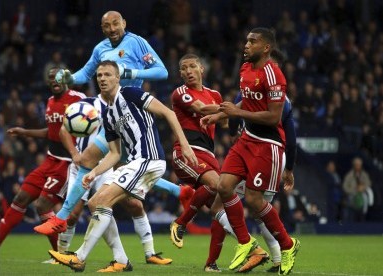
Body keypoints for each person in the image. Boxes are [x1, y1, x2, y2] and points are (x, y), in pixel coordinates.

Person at [47, 61, 197, 272]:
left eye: (108, 74)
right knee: (94, 203)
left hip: (149, 160)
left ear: (117, 78)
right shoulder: (108, 115)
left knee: (103, 200)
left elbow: (168, 113)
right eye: (99, 75)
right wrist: (94, 172)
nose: (102, 78)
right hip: (134, 162)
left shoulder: (131, 93)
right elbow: (115, 154)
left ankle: (79, 257)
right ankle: (121, 259)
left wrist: (184, 145)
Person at [201, 28, 300, 275]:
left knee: (256, 202)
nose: (246, 45)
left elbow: (273, 116)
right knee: (223, 187)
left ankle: (287, 246)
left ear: (266, 47)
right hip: (246, 140)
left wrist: (236, 114)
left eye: (252, 41)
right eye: (246, 40)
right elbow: (247, 100)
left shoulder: (274, 74)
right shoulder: (245, 68)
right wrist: (220, 114)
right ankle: (246, 243)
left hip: (268, 145)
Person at [0, 68, 86, 258]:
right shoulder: (49, 102)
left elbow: (93, 119)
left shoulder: (78, 98)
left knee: (42, 205)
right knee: (20, 199)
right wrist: (24, 132)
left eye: (56, 77)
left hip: (66, 164)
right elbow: (51, 132)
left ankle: (60, 254)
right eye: (50, 78)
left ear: (64, 79)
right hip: (49, 160)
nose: (53, 80)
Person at [168, 54, 268, 272]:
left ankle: (211, 263)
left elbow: (223, 121)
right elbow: (202, 109)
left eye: (192, 66)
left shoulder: (214, 94)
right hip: (187, 152)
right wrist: (234, 108)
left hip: (209, 155)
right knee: (215, 185)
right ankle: (181, 222)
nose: (188, 71)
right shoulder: (180, 93)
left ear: (202, 69)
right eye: (183, 68)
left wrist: (229, 114)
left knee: (220, 207)